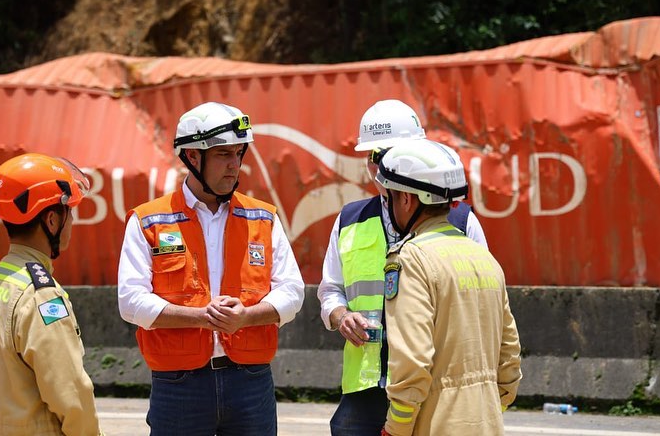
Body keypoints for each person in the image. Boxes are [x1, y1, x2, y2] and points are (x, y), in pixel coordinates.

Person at [118, 102, 305, 436]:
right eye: (223, 154)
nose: (235, 165)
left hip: (250, 382)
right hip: (179, 386)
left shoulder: (264, 218)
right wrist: (202, 317)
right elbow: (131, 302)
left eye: (238, 153)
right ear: (192, 156)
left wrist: (246, 317)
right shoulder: (148, 220)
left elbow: (292, 292)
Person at [317, 99, 489, 436]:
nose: (381, 166)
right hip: (366, 387)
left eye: (389, 155)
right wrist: (340, 316)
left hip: (437, 386)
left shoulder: (459, 219)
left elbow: (483, 301)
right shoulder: (350, 220)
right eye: (374, 156)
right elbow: (330, 290)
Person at [374, 139, 521, 436]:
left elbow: (412, 360)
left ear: (406, 199)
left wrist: (396, 428)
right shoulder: (484, 258)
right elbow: (509, 355)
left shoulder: (411, 259)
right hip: (487, 423)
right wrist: (491, 405)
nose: (389, 206)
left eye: (390, 198)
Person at [0, 153, 104, 436]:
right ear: (51, 220)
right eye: (69, 213)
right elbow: (70, 394)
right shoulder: (41, 295)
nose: (72, 222)